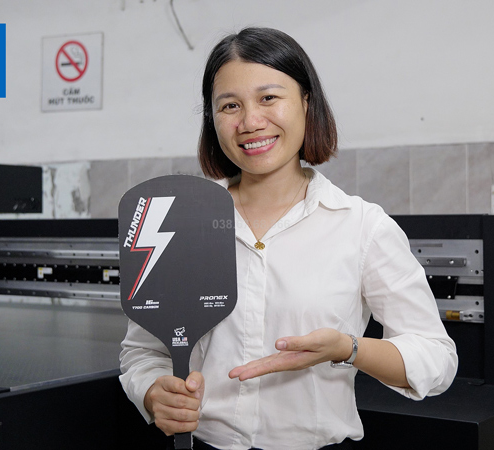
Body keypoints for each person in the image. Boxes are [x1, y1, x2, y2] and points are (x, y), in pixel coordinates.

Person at [120, 27, 458, 450]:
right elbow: (143, 351)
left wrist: (347, 348)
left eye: (268, 98)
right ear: (212, 118)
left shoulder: (362, 226)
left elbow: (436, 358)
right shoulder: (180, 224)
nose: (250, 122)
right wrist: (153, 393)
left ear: (306, 102)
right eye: (230, 105)